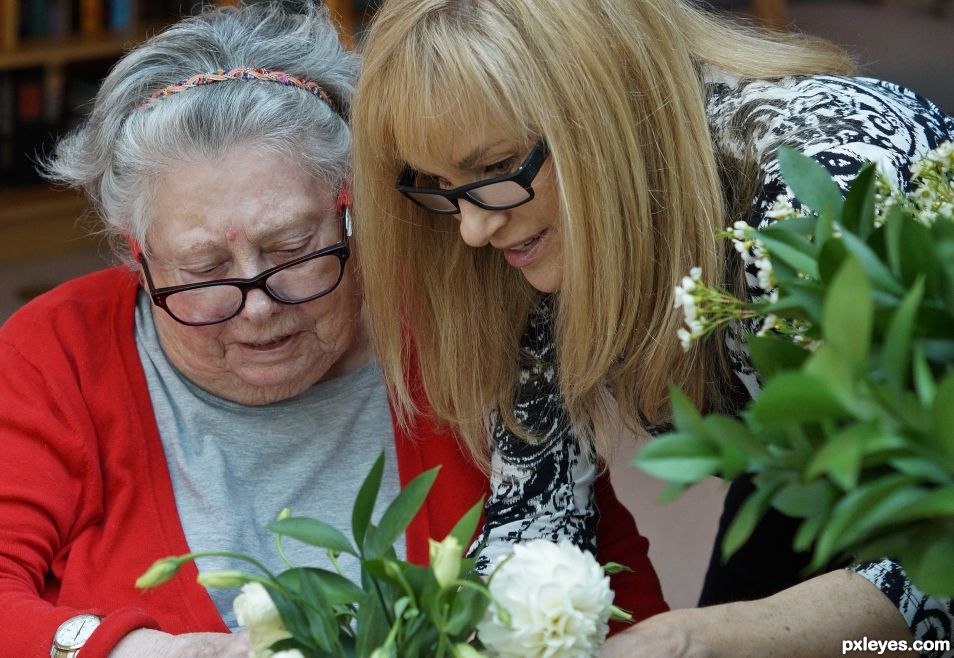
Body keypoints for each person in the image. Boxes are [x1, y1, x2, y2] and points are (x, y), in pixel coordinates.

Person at [0, 4, 665, 658]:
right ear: (134, 254)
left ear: (351, 209)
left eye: (293, 248)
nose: (257, 307)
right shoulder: (56, 354)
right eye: (203, 268)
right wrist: (138, 651)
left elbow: (603, 587)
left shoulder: (462, 327)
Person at [350, 0, 954, 655]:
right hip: (797, 484)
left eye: (494, 167)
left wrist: (703, 636)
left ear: (602, 111)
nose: (470, 229)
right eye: (439, 185)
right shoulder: (535, 229)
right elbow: (536, 525)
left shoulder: (819, 187)